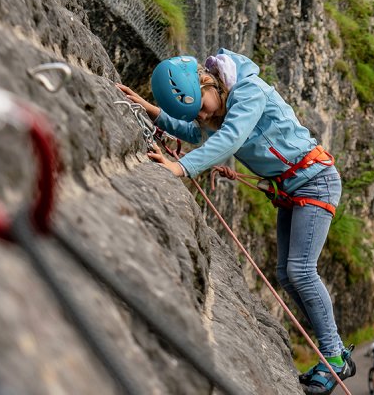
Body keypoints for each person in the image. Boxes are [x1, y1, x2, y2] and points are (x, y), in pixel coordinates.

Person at [116, 50, 353, 394]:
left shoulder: (248, 91)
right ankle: (334, 350)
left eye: (201, 105)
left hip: (315, 181)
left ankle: (334, 357)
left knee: (301, 270)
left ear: (207, 82)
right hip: (293, 185)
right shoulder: (219, 102)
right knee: (288, 275)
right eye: (196, 111)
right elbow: (195, 133)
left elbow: (231, 139)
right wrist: (151, 109)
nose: (202, 114)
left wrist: (181, 168)